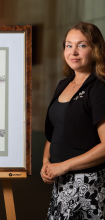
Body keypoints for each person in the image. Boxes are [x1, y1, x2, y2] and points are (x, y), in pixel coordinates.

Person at [41, 22, 105, 219]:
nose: (74, 52)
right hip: (61, 183)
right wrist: (46, 161)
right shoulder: (64, 84)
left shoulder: (99, 88)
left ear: (95, 49)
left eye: (82, 45)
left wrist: (64, 165)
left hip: (87, 183)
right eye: (69, 45)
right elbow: (55, 131)